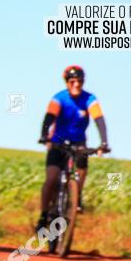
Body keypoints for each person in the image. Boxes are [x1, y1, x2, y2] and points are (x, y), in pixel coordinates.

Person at [36, 65, 110, 233]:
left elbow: (99, 119)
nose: (77, 84)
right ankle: (43, 214)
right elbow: (49, 117)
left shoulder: (89, 99)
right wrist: (44, 135)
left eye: (80, 81)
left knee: (82, 163)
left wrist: (104, 142)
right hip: (57, 142)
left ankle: (77, 196)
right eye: (73, 81)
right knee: (52, 179)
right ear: (67, 83)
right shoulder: (59, 98)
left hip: (78, 142)